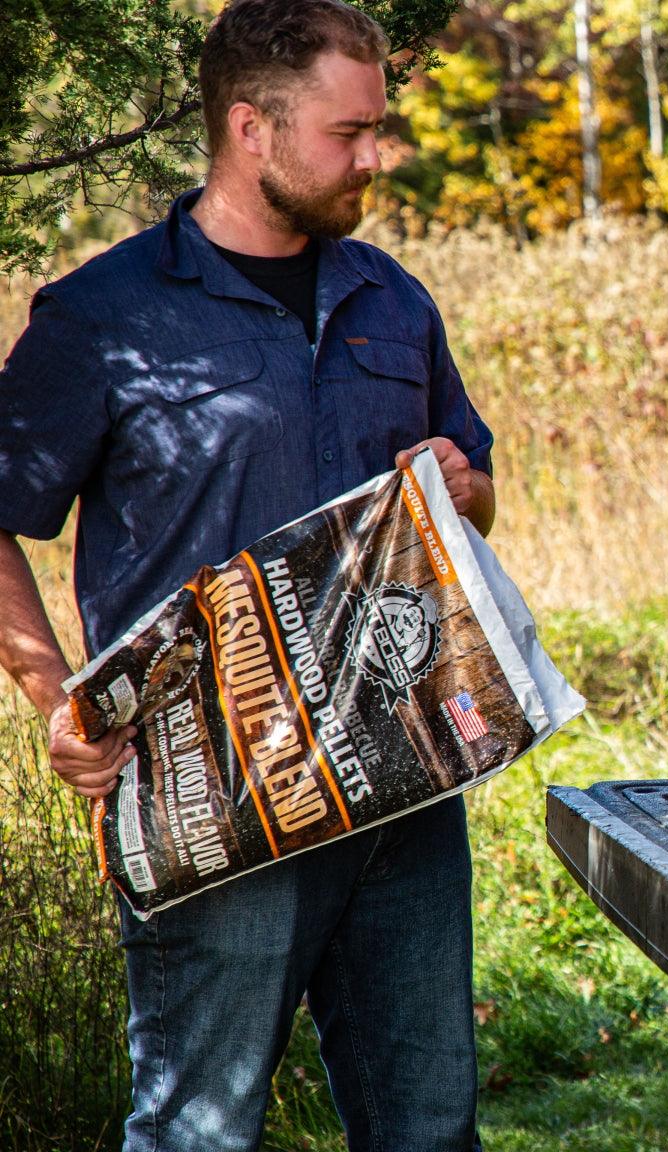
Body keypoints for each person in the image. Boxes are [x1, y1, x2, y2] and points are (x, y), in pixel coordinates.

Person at [0, 1, 492, 1148]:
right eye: (349, 132)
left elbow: (474, 496)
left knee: (430, 1129)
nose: (375, 156)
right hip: (211, 801)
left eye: (380, 130)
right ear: (250, 129)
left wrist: (462, 493)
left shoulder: (389, 297)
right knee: (199, 1134)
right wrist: (57, 698)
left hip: (404, 788)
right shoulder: (103, 320)